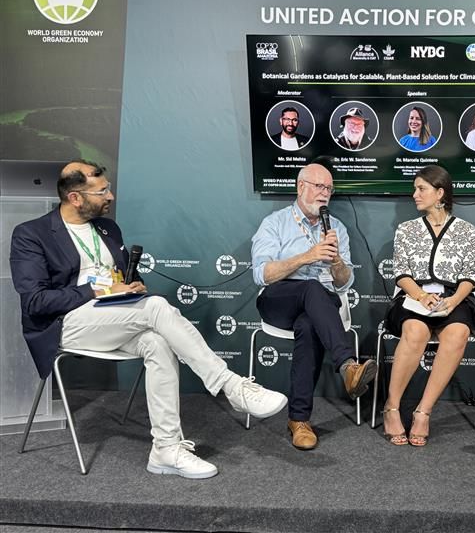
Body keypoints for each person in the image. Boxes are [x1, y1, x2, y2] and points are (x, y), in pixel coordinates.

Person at [9, 160, 288, 479]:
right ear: (75, 197)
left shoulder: (108, 229)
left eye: (108, 188)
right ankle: (231, 386)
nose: (110, 196)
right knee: (155, 307)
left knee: (157, 342)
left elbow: (125, 275)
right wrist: (98, 291)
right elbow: (35, 301)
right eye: (102, 191)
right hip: (65, 323)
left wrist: (131, 285)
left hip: (113, 317)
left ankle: (165, 450)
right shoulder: (32, 234)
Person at [251, 163, 377, 450]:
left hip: (319, 308)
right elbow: (262, 274)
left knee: (309, 324)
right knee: (310, 287)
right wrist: (306, 256)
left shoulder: (336, 228)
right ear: (300, 187)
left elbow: (344, 284)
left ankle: (299, 420)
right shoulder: (275, 223)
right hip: (279, 300)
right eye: (319, 186)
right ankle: (347, 365)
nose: (324, 194)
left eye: (329, 189)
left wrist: (336, 263)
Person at [381, 165, 475, 446]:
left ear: (440, 193)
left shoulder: (469, 232)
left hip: (454, 297)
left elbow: (470, 277)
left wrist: (452, 301)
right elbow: (401, 273)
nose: (414, 194)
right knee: (415, 332)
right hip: (414, 296)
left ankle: (423, 411)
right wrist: (421, 297)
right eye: (415, 188)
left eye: (421, 189)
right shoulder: (406, 230)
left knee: (458, 333)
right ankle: (391, 407)